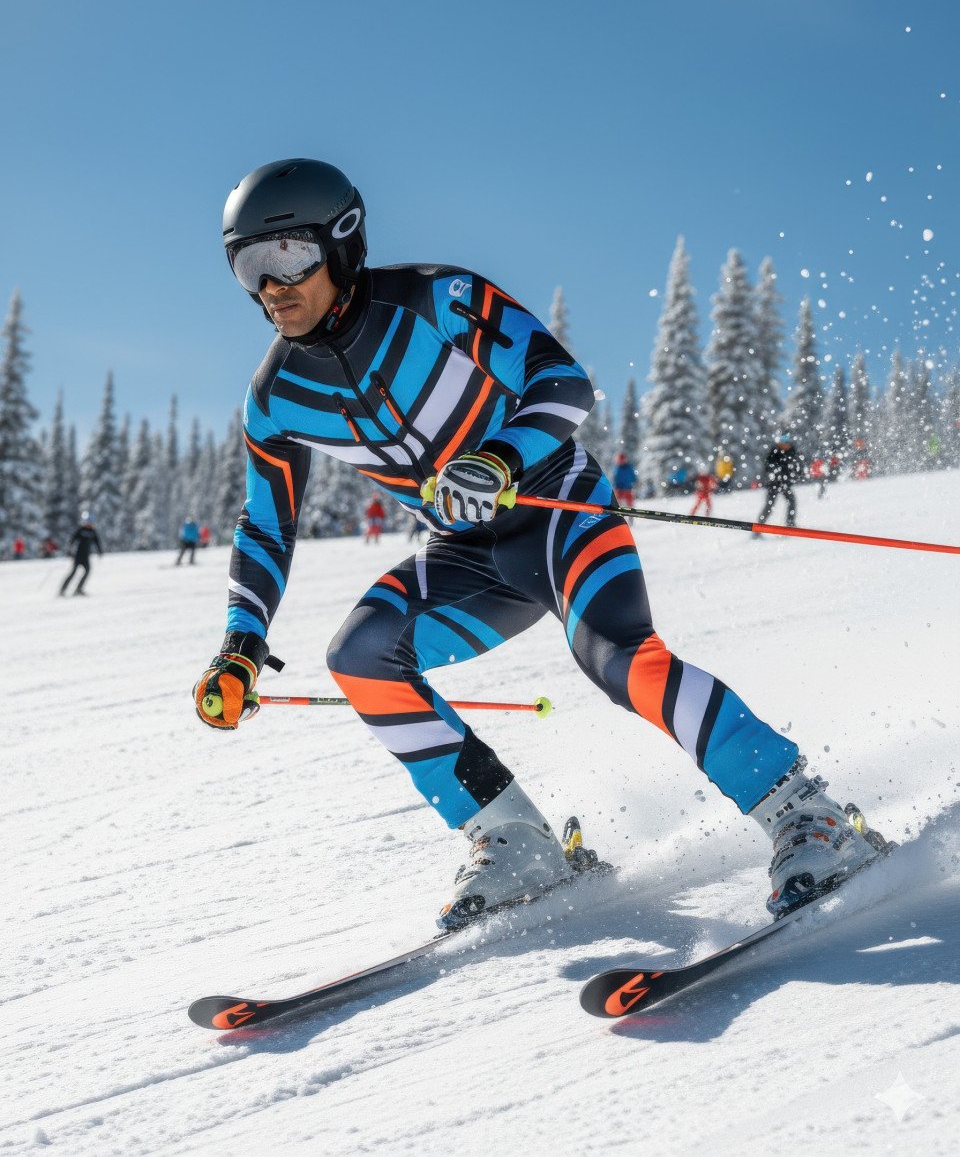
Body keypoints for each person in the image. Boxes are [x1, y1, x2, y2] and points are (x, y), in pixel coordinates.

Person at [192, 157, 886, 928]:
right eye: (248, 265)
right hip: (469, 556)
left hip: (559, 510)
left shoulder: (436, 299)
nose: (271, 285)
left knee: (619, 661)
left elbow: (563, 382)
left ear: (342, 242)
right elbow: (267, 524)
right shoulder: (276, 399)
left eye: (288, 255)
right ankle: (514, 840)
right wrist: (241, 644)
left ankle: (806, 812)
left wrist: (498, 459)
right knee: (360, 654)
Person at [757, 434, 805, 529]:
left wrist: (797, 474)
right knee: (769, 505)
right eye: (783, 443)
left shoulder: (792, 452)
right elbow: (768, 466)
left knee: (792, 501)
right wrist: (775, 473)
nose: (785, 446)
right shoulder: (774, 452)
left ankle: (790, 523)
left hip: (785, 483)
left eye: (787, 444)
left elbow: (798, 465)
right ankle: (759, 526)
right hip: (774, 484)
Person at [59, 512, 102, 596]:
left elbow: (97, 542)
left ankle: (78, 589)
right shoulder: (81, 530)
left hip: (86, 556)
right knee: (73, 572)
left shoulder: (93, 532)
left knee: (87, 571)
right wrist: (69, 550)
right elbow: (72, 540)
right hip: (78, 555)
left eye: (90, 521)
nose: (89, 523)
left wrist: (100, 551)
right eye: (88, 521)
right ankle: (62, 590)